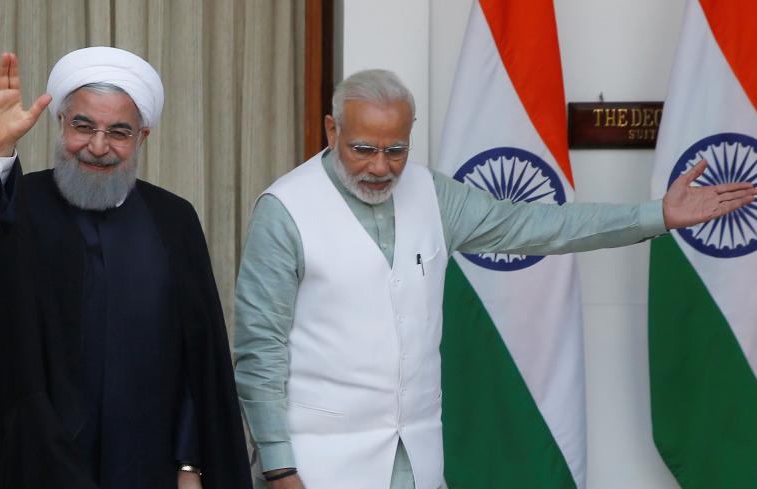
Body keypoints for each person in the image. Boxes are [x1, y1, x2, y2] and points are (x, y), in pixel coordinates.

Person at [232, 69, 756, 489]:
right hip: (318, 462)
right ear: (332, 131)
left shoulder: (433, 194)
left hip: (417, 458)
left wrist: (656, 215)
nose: (381, 167)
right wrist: (278, 466)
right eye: (363, 149)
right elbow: (260, 349)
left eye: (396, 150)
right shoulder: (286, 209)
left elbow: (538, 226)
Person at [0, 48, 252, 489]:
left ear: (142, 136)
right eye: (82, 126)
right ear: (60, 123)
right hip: (43, 462)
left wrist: (188, 461)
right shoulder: (20, 205)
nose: (98, 146)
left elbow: (197, 356)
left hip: (150, 462)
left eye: (118, 132)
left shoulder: (173, 219)